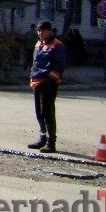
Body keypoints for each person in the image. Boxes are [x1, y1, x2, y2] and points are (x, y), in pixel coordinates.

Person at [27, 21, 66, 153]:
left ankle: (51, 142)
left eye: (42, 30)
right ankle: (42, 138)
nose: (40, 33)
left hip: (48, 83)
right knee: (39, 113)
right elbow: (35, 62)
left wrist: (50, 79)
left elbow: (60, 65)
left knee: (48, 113)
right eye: (38, 31)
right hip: (36, 81)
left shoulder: (57, 45)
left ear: (49, 31)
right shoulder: (38, 44)